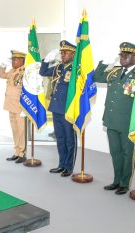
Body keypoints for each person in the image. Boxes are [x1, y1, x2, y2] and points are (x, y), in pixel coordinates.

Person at [93, 42, 135, 195]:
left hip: (128, 122)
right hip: (111, 119)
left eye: (126, 55)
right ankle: (116, 180)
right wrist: (105, 63)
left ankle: (125, 183)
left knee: (128, 153)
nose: (122, 58)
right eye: (121, 55)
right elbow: (96, 77)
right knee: (115, 152)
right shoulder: (114, 72)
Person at [39, 40, 77, 177]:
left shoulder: (76, 69)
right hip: (56, 108)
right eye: (61, 52)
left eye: (66, 52)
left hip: (68, 109)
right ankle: (61, 164)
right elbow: (43, 72)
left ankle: (69, 166)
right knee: (60, 138)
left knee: (69, 139)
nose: (62, 54)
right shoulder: (58, 67)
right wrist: (46, 60)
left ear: (73, 54)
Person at [0, 50, 27, 163]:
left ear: (21, 60)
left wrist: (26, 107)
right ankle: (16, 152)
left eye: (15, 60)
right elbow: (1, 75)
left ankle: (22, 153)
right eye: (12, 60)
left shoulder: (24, 71)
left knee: (21, 131)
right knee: (15, 130)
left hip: (19, 106)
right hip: (10, 105)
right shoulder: (12, 70)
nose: (13, 62)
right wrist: (3, 65)